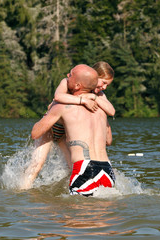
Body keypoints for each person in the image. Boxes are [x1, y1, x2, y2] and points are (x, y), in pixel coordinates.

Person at [20, 62, 115, 190]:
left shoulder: (97, 96)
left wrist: (92, 97)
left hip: (65, 133)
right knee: (36, 165)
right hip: (50, 129)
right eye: (103, 83)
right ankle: (23, 190)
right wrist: (83, 100)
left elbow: (112, 111)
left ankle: (62, 192)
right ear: (93, 77)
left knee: (72, 167)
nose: (104, 87)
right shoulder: (67, 82)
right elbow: (58, 96)